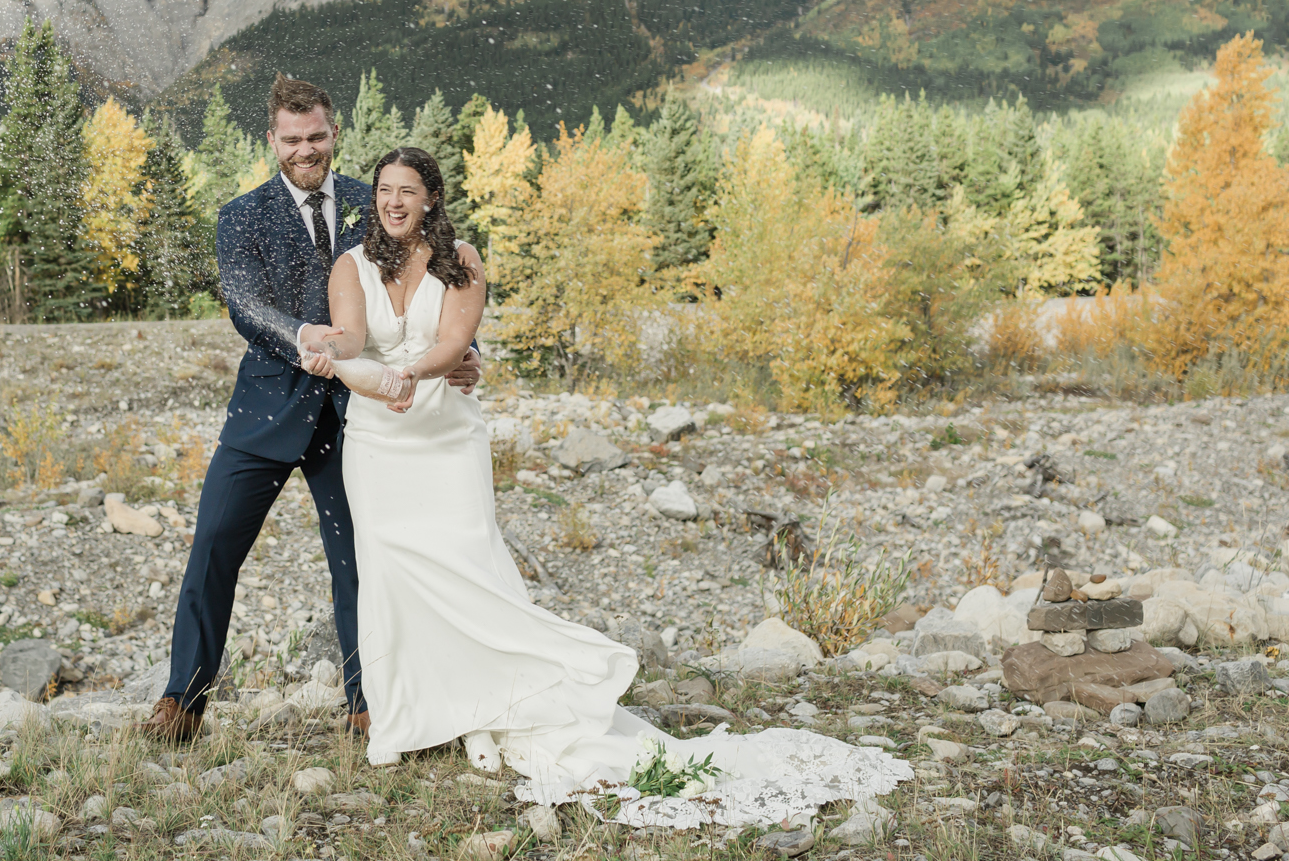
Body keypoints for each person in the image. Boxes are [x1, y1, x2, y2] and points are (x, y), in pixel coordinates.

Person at [300, 145, 911, 830]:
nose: (393, 201)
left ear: (431, 198)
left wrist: (415, 375)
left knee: (469, 561)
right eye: (385, 189)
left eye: (407, 190)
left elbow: (453, 341)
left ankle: (494, 703)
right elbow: (352, 337)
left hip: (445, 439)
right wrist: (332, 347)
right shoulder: (350, 266)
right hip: (379, 444)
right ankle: (418, 712)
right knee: (393, 573)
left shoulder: (461, 258)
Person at [142, 77, 480, 743]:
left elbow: (433, 276)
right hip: (265, 409)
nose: (306, 151)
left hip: (358, 419)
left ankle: (369, 702)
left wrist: (462, 350)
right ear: (272, 140)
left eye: (317, 137)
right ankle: (182, 701)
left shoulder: (371, 199)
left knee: (360, 560)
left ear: (334, 133)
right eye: (293, 140)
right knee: (212, 548)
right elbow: (244, 301)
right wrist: (301, 335)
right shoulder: (242, 214)